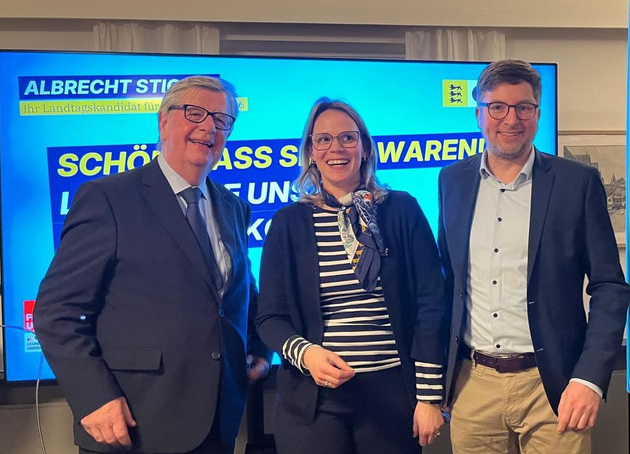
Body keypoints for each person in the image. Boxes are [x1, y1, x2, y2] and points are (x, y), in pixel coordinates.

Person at [33, 76, 271, 454]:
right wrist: (94, 398)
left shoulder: (234, 206)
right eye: (195, 113)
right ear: (163, 121)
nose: (209, 127)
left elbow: (240, 296)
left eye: (221, 119)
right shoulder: (108, 198)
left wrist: (260, 348)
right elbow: (55, 312)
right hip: (133, 423)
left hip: (218, 422)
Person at [438, 59, 629, 453]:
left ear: (538, 114)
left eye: (523, 107)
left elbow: (610, 286)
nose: (511, 119)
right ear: (479, 114)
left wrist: (589, 379)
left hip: (555, 385)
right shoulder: (452, 180)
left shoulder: (577, 183)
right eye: (497, 107)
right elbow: (449, 281)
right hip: (473, 383)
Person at [256, 98, 448, 454]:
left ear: (365, 147)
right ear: (310, 151)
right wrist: (307, 355)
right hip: (313, 402)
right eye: (323, 139)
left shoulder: (401, 209)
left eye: (347, 137)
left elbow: (431, 304)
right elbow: (269, 317)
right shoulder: (288, 223)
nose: (336, 148)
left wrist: (429, 397)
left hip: (393, 397)